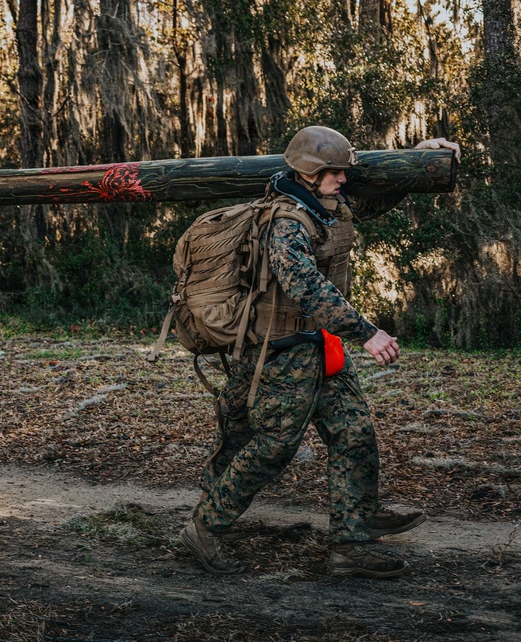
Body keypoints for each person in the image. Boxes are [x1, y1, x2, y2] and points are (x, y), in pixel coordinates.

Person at [181, 128, 461, 578]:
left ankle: (351, 540)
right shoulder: (287, 220)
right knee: (273, 446)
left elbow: (375, 202)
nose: (343, 179)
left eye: (344, 171)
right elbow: (304, 285)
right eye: (334, 172)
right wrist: (365, 332)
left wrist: (416, 161)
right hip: (280, 351)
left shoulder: (328, 206)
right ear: (308, 173)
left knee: (353, 431)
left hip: (320, 344)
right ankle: (204, 526)